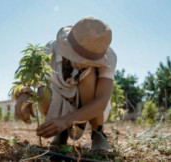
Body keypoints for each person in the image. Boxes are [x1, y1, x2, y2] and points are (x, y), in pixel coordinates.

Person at [14, 17, 117, 150]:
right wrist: (23, 94)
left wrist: (66, 121)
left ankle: (98, 134)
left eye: (87, 60)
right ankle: (61, 133)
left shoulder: (110, 57)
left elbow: (101, 100)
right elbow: (25, 80)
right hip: (59, 100)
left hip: (91, 107)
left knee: (89, 75)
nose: (81, 63)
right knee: (42, 92)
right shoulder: (49, 50)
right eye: (77, 56)